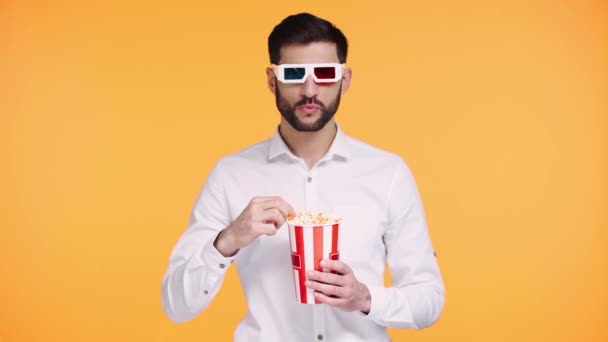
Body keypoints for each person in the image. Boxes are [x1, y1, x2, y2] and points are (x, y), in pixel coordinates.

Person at [161, 12, 445, 341]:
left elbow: (429, 299)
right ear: (272, 80)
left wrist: (365, 298)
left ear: (346, 79)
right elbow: (175, 306)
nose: (310, 90)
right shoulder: (230, 175)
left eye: (325, 74)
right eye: (294, 73)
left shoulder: (389, 173)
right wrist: (227, 241)